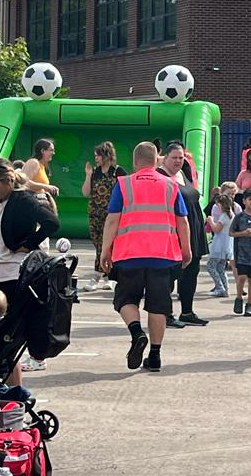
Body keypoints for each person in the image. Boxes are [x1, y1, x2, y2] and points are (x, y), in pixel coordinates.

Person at [100, 142, 191, 373]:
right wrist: (186, 249)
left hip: (129, 255)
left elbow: (112, 220)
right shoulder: (171, 185)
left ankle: (136, 333)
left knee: (125, 300)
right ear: (156, 160)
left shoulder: (124, 184)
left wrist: (105, 250)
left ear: (134, 161)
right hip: (163, 255)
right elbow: (182, 221)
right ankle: (155, 356)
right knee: (158, 306)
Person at [0, 158, 59, 383]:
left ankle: (14, 392)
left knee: (6, 343)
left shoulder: (23, 199)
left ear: (8, 181)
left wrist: (29, 243)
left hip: (11, 276)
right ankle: (4, 390)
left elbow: (51, 222)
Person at [157, 141, 209, 326]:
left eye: (181, 157)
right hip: (173, 232)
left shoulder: (182, 173)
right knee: (170, 274)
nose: (178, 161)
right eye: (174, 158)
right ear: (165, 158)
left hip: (193, 229)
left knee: (191, 272)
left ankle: (187, 312)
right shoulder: (160, 176)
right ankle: (166, 314)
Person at [81, 141, 127, 284]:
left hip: (112, 215)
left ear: (106, 155)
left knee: (109, 245)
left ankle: (100, 275)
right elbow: (86, 193)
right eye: (95, 156)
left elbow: (126, 192)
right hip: (95, 214)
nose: (96, 158)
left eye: (98, 155)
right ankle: (107, 275)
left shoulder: (118, 172)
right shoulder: (95, 172)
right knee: (98, 245)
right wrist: (88, 175)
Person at [230, 187, 251, 316]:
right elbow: (231, 232)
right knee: (241, 278)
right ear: (244, 201)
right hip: (241, 254)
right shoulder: (239, 217)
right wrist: (243, 233)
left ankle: (249, 303)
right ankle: (239, 298)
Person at [207, 194, 236, 298]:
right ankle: (225, 288)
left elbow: (216, 229)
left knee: (210, 266)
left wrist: (210, 221)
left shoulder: (224, 216)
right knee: (220, 268)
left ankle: (220, 288)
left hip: (219, 245)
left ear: (221, 205)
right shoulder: (232, 215)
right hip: (227, 245)